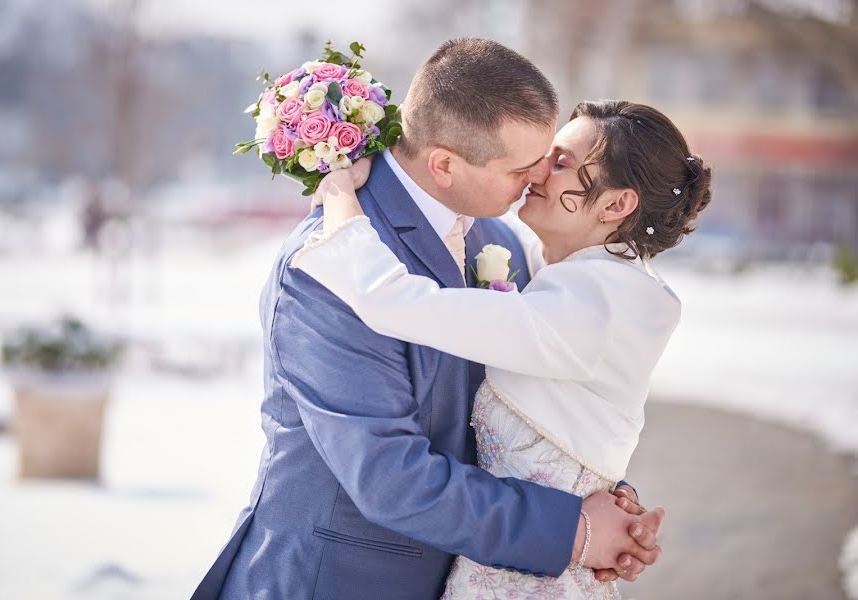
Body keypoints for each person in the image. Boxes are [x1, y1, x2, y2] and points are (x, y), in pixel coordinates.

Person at [191, 39, 664, 600]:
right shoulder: (330, 265)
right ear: (445, 164)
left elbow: (526, 405)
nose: (541, 177)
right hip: (337, 580)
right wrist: (575, 531)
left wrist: (594, 499)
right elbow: (391, 477)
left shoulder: (497, 235)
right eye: (524, 165)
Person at [293, 99, 712, 598]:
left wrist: (341, 203)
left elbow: (395, 303)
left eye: (560, 164)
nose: (537, 170)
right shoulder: (583, 273)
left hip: (530, 575)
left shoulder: (594, 302)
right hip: (525, 556)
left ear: (617, 205)